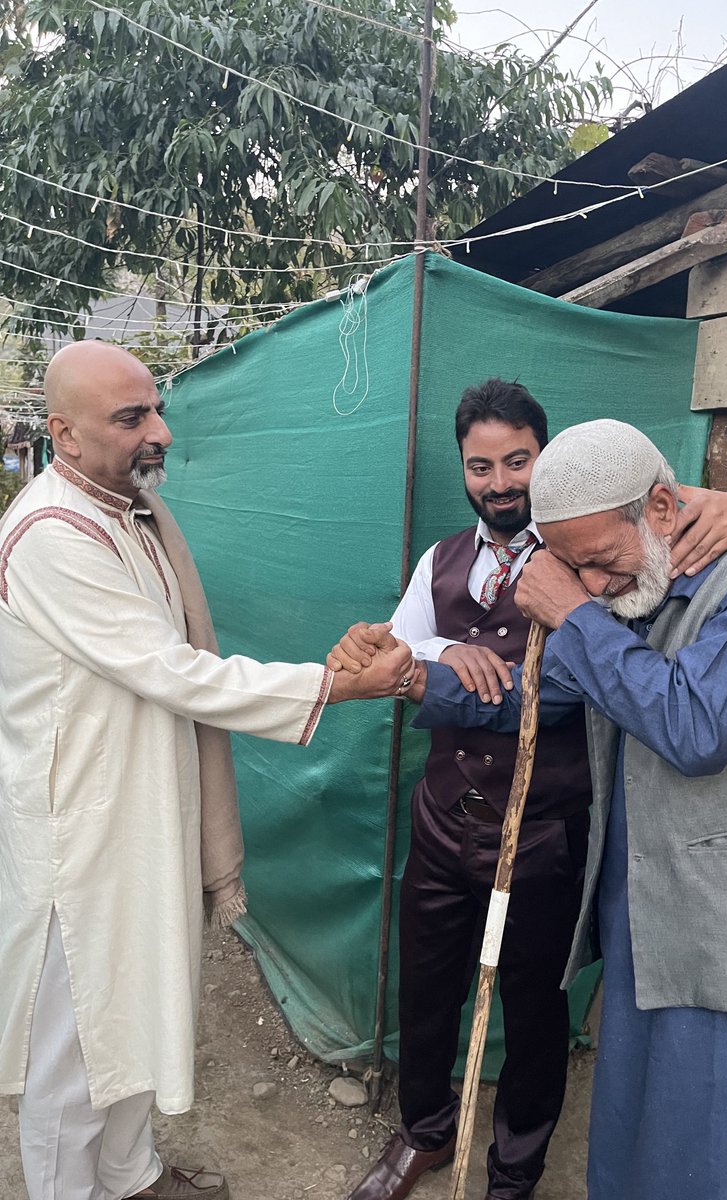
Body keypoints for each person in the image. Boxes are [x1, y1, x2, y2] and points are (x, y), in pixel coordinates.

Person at [406, 418, 727, 1200]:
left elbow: (695, 727)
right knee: (662, 1158)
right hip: (660, 932)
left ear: (661, 507)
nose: (592, 584)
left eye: (599, 561)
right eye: (573, 569)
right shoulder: (638, 599)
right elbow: (545, 695)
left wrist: (575, 612)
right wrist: (408, 679)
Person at [337, 382, 727, 1200]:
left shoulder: (600, 555)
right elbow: (395, 650)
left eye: (517, 461)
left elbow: (667, 581)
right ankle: (425, 1132)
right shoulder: (442, 560)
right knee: (428, 990)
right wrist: (420, 659)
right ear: (462, 471)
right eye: (481, 466)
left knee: (535, 1009)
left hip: (543, 831)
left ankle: (515, 1170)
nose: (500, 482)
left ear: (546, 460)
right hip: (443, 821)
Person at [0, 341, 414, 1200]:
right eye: (131, 418)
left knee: (142, 1007)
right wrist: (336, 687)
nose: (159, 432)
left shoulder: (131, 513)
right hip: (82, 833)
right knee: (77, 1049)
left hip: (145, 809)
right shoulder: (50, 537)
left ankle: (129, 1172)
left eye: (157, 410)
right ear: (64, 436)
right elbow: (177, 672)